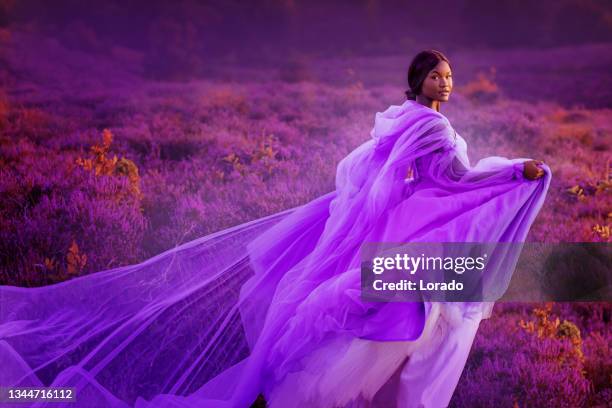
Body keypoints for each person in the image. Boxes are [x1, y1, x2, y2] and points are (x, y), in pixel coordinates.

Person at [0, 50, 550, 408]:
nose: (446, 83)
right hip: (410, 225)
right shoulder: (429, 126)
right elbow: (450, 179)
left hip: (400, 225)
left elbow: (371, 174)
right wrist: (513, 174)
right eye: (437, 75)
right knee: (403, 315)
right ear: (418, 79)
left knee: (378, 315)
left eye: (450, 76)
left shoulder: (406, 118)